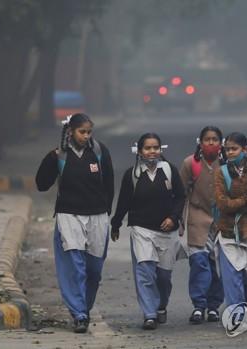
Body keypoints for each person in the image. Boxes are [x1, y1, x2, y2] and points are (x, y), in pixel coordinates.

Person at [35, 113, 114, 333]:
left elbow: (109, 184)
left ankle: (84, 307)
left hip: (97, 216)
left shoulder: (99, 152)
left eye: (89, 132)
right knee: (74, 266)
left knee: (93, 270)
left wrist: (108, 214)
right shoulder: (60, 155)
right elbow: (42, 184)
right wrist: (49, 161)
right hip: (69, 215)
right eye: (82, 132)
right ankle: (79, 313)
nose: (86, 136)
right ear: (70, 131)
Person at [110, 133, 185, 330]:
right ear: (139, 151)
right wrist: (116, 223)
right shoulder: (132, 175)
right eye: (147, 148)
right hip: (141, 228)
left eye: (155, 148)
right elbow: (124, 201)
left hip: (167, 231)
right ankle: (149, 314)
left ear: (161, 149)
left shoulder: (169, 170)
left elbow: (180, 196)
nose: (152, 151)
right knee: (144, 271)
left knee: (163, 277)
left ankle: (161, 305)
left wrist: (173, 218)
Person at [214, 132, 247, 321]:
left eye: (234, 149)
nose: (229, 153)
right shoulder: (220, 172)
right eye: (227, 149)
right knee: (232, 277)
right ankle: (236, 315)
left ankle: (246, 300)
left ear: (245, 149)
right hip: (227, 232)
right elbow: (222, 204)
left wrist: (235, 203)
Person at [179, 126, 225, 324]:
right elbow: (180, 194)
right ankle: (199, 305)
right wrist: (179, 220)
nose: (211, 143)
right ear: (200, 142)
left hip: (222, 221)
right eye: (207, 139)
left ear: (221, 143)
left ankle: (213, 306)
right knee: (199, 262)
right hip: (197, 218)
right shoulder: (190, 163)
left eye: (215, 139)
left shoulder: (227, 164)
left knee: (218, 265)